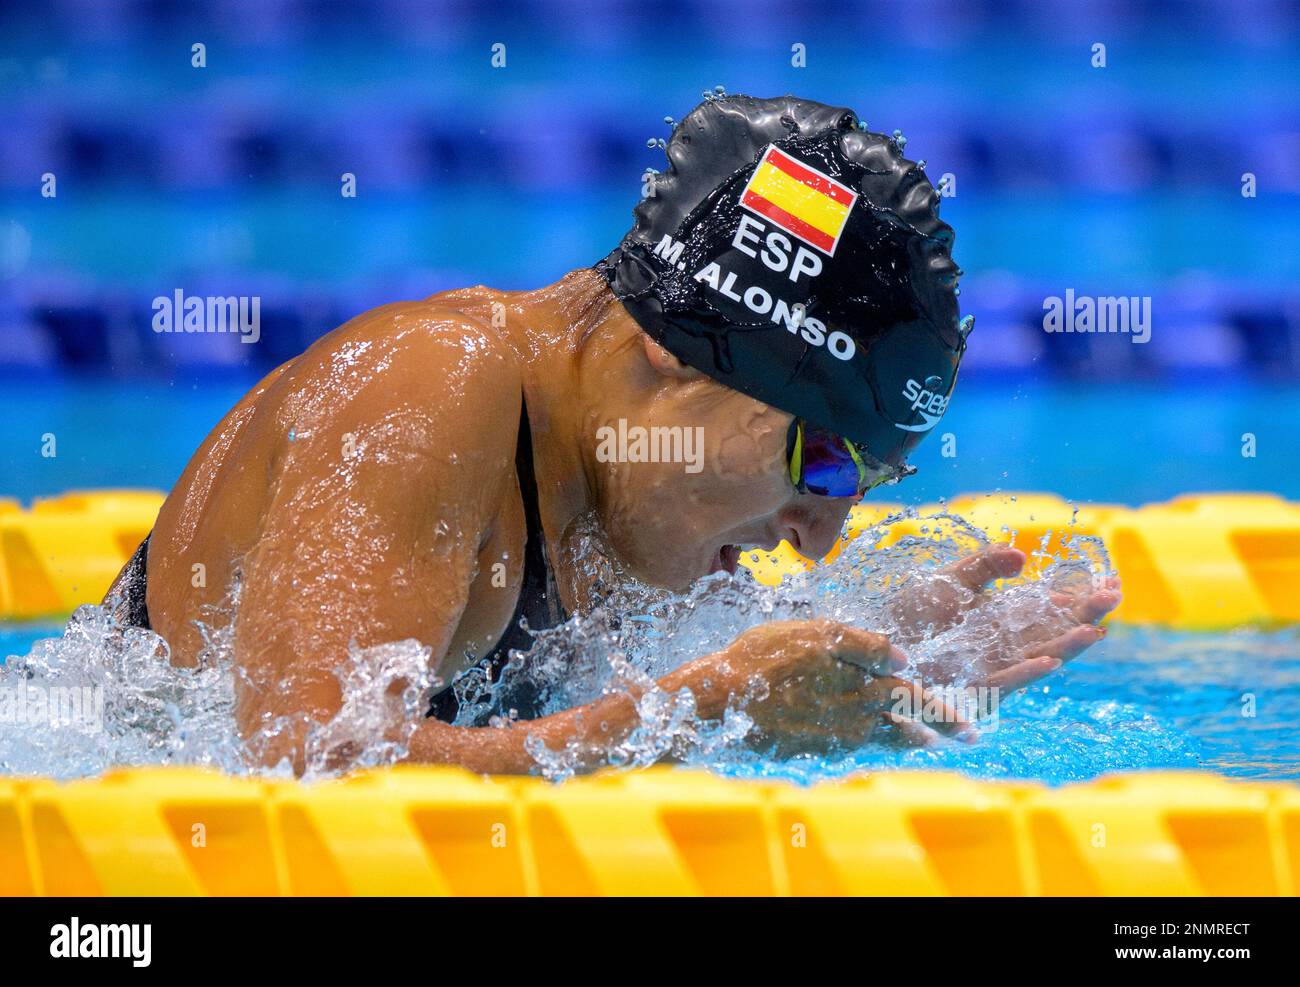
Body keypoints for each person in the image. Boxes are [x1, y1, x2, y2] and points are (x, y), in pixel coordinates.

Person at [105, 94, 1119, 773]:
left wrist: (874, 660)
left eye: (860, 482)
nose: (821, 535)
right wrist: (703, 713)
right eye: (819, 460)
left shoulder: (630, 494)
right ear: (677, 354)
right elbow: (298, 764)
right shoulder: (428, 391)